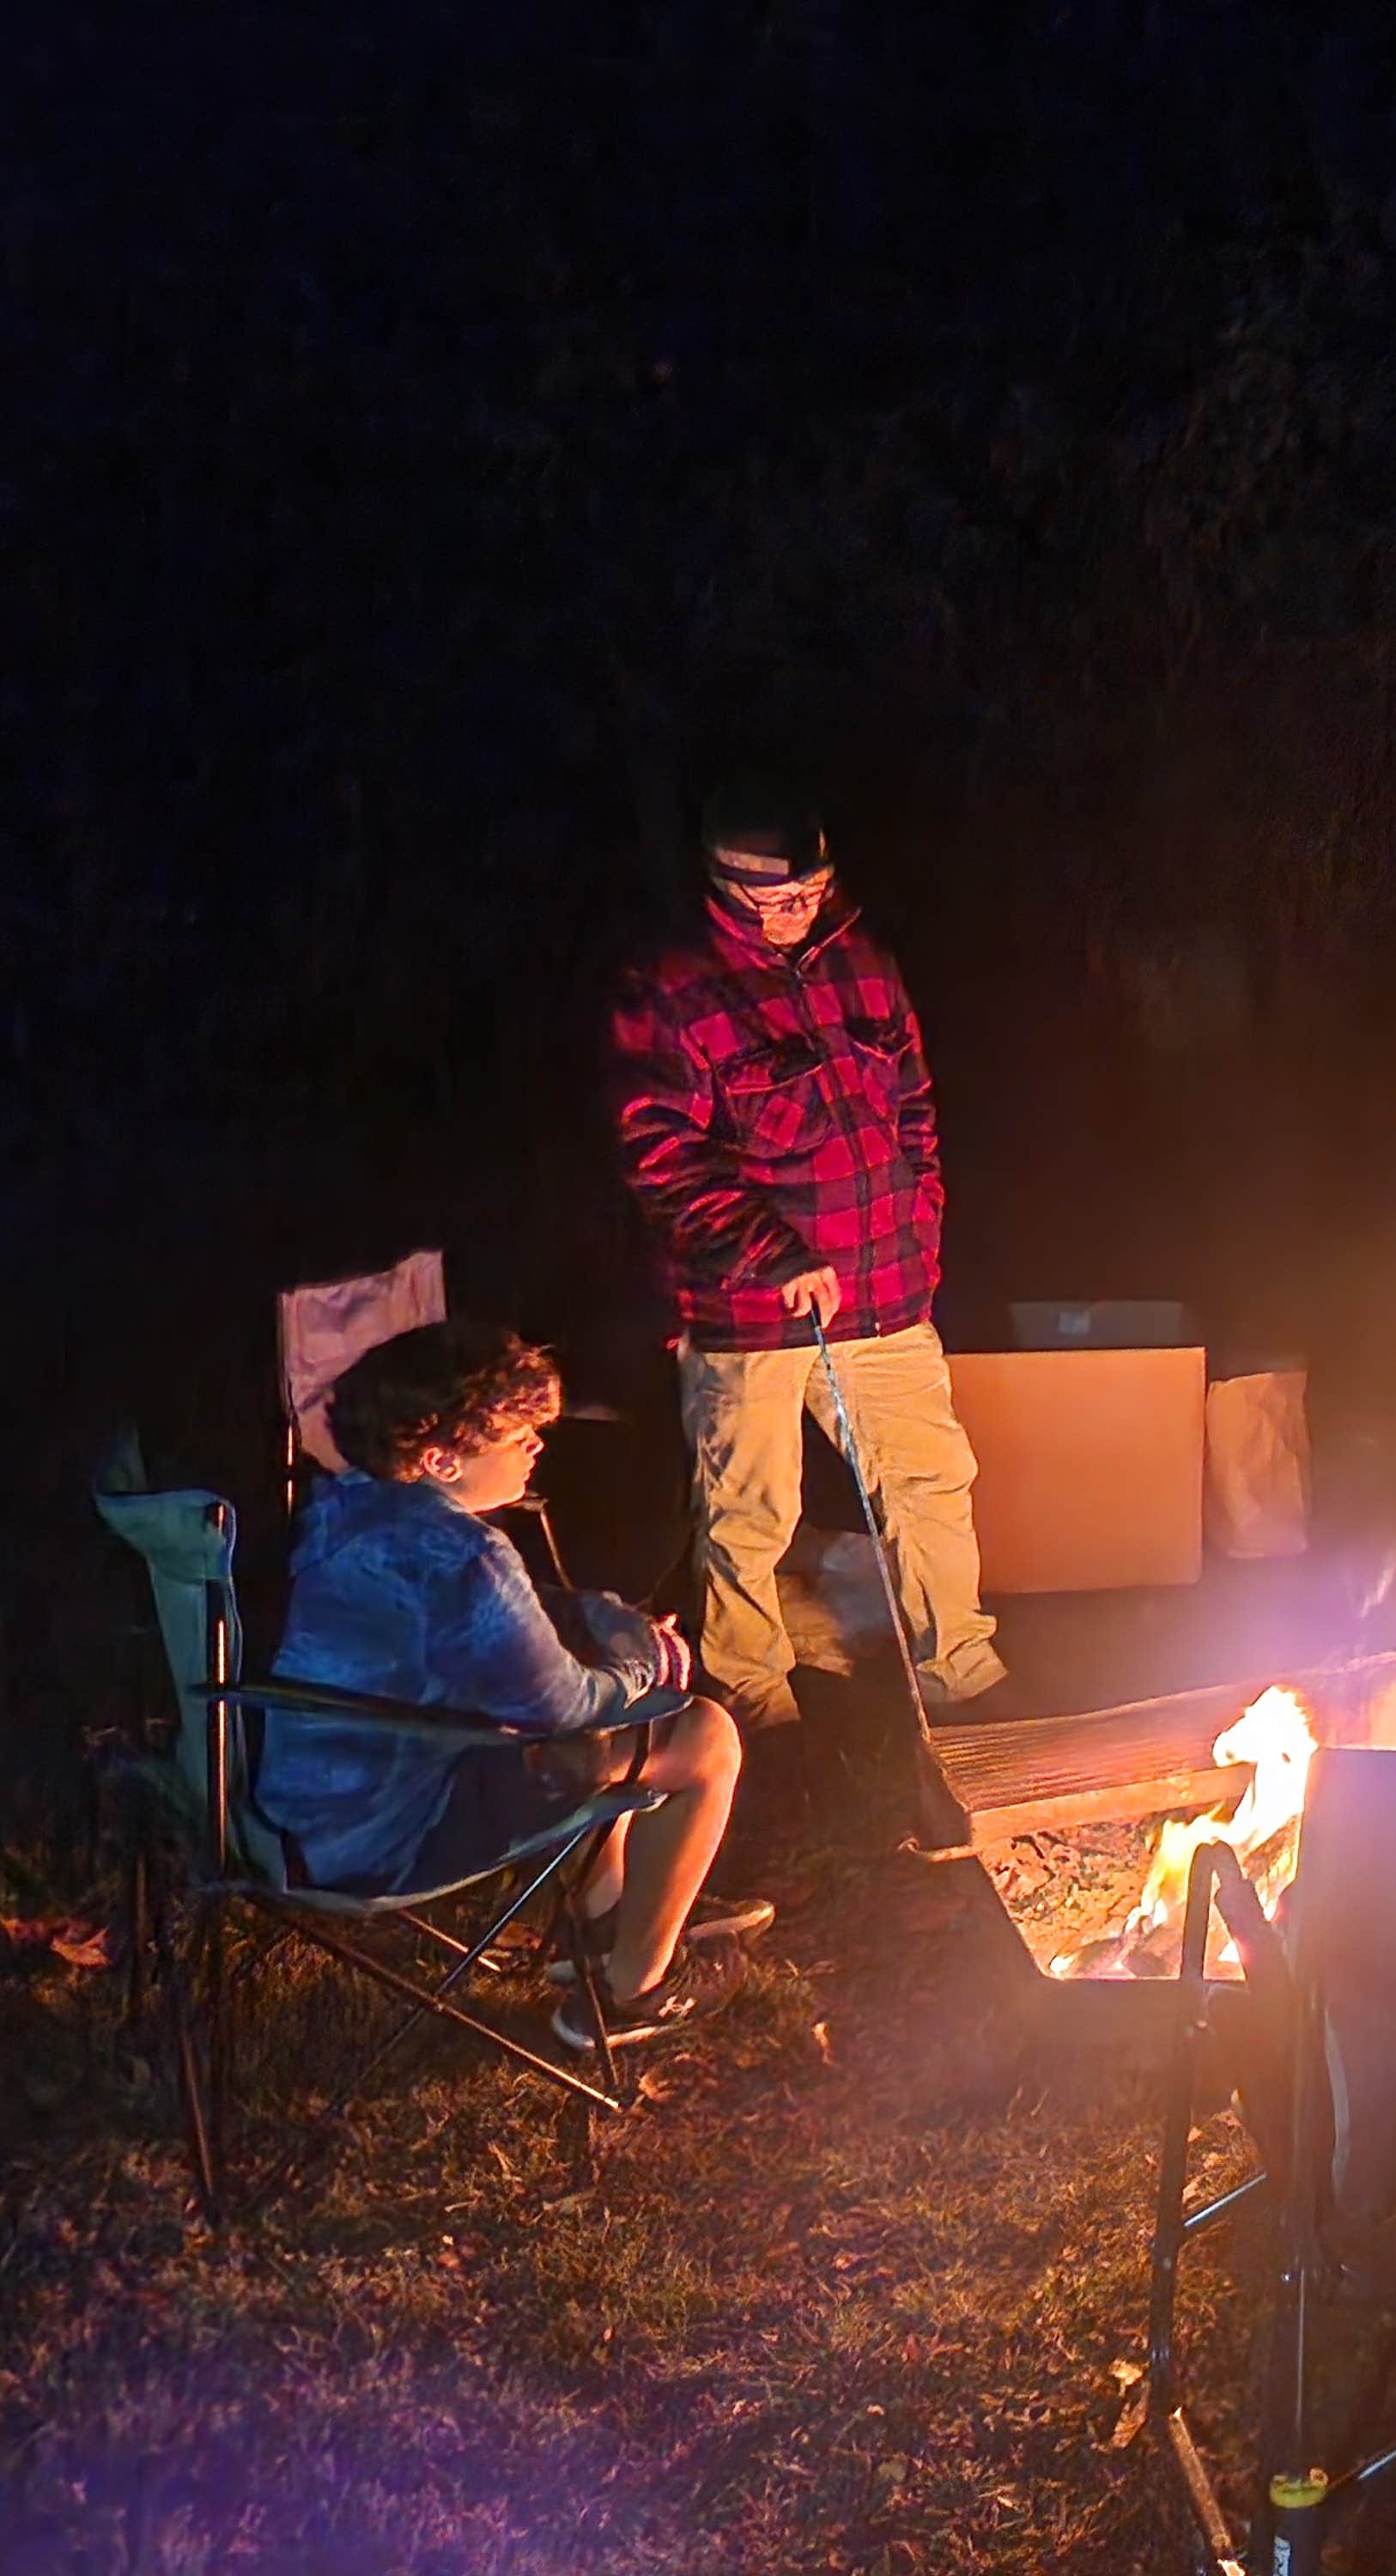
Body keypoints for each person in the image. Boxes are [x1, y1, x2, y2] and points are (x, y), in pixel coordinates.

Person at [608, 779, 1013, 1742]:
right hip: (749, 1310)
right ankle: (753, 1692)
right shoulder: (669, 992)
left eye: (814, 893)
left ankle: (961, 1666)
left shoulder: (863, 963)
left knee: (930, 1481)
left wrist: (921, 1227)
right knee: (751, 1508)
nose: (800, 914)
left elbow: (913, 1106)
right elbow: (659, 1151)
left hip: (888, 1295)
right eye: (779, 902)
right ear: (727, 890)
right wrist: (767, 1249)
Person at [266, 1322, 766, 2047]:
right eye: (516, 1435)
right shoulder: (466, 1555)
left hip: (302, 1810)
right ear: (440, 1458)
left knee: (603, 1715)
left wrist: (593, 1618)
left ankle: (601, 1923)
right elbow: (565, 1707)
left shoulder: (347, 1505)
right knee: (699, 1734)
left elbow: (497, 1620)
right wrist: (646, 1657)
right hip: (388, 1837)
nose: (536, 1446)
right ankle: (631, 1995)